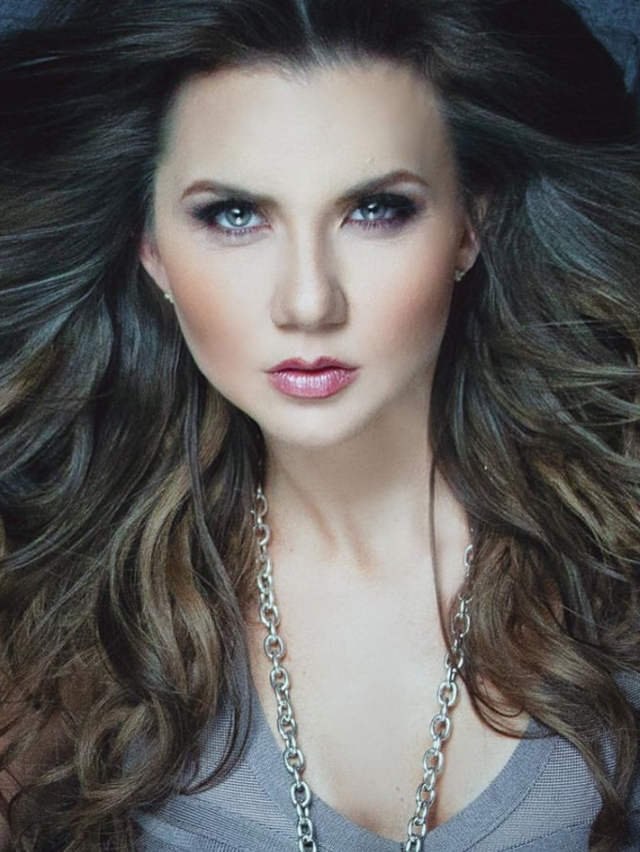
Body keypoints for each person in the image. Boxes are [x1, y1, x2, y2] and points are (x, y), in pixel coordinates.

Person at [0, 0, 639, 850]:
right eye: (235, 215)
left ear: (469, 226)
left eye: (376, 208)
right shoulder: (59, 608)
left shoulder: (616, 563)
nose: (308, 301)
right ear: (150, 247)